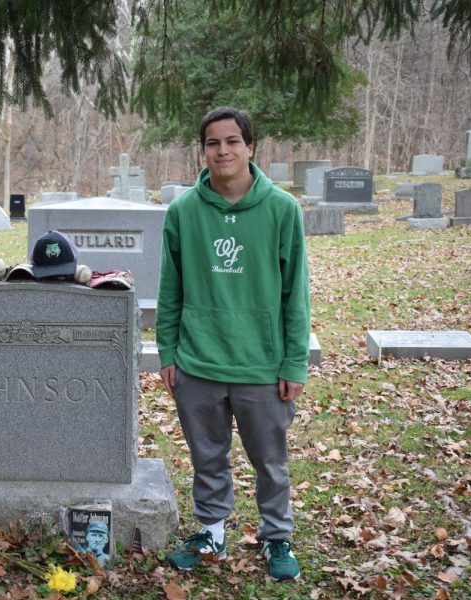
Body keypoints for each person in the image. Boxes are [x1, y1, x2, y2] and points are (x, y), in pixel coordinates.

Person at [157, 107, 309, 580]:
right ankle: (212, 532)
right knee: (207, 455)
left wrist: (294, 362)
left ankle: (277, 536)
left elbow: (295, 293)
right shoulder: (183, 211)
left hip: (260, 365)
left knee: (270, 460)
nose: (222, 151)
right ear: (203, 150)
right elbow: (171, 289)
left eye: (231, 141)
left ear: (250, 147)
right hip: (198, 360)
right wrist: (167, 352)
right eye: (212, 143)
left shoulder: (283, 210)